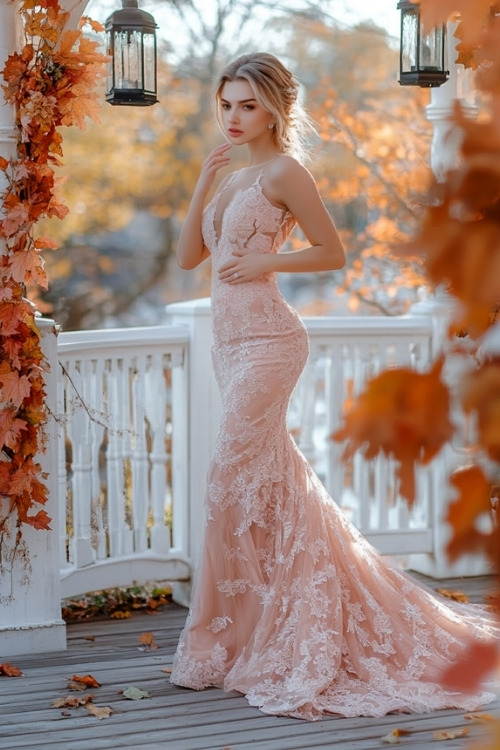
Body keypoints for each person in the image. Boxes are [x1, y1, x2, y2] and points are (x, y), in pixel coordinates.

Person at [170, 52, 499, 720]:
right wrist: (203, 186)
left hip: (270, 341)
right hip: (228, 346)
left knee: (225, 481)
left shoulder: (286, 171)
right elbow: (187, 259)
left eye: (247, 105)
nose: (233, 117)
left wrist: (268, 259)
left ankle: (217, 642)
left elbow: (332, 251)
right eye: (226, 105)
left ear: (274, 109)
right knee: (271, 483)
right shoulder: (229, 169)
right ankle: (249, 632)